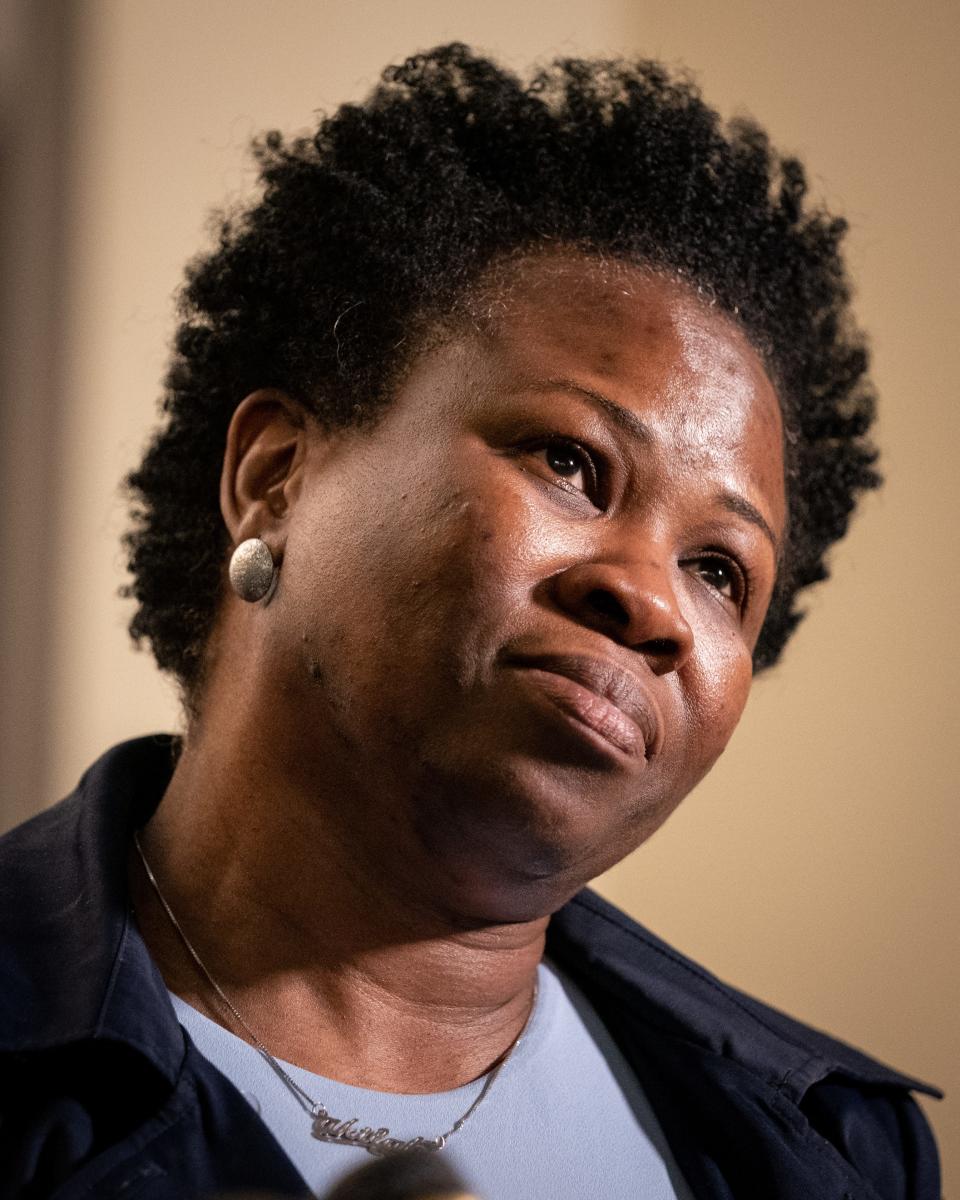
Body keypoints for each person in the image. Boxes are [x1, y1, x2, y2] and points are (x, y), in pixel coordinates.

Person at [0, 43, 941, 1200]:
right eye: (570, 463)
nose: (650, 601)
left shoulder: (837, 1152)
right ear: (276, 475)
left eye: (719, 570)